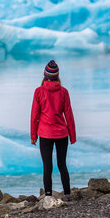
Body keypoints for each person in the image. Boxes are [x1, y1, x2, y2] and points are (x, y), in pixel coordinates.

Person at [30, 60, 76, 201]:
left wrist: (33, 135)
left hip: (45, 133)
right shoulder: (63, 92)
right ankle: (67, 193)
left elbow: (34, 115)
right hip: (62, 133)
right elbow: (69, 115)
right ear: (57, 76)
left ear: (45, 75)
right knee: (62, 164)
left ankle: (48, 195)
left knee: (47, 166)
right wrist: (72, 136)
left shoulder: (39, 91)